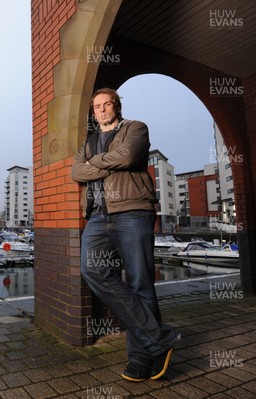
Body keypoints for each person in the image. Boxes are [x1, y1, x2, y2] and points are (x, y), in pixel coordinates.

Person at [71, 87, 180, 382]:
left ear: (116, 106)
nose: (102, 110)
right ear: (94, 112)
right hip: (97, 216)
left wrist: (95, 163)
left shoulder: (136, 128)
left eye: (108, 104)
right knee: (91, 270)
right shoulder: (90, 140)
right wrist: (107, 162)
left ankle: (141, 357)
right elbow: (76, 173)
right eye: (97, 106)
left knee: (140, 284)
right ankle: (159, 339)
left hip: (132, 211)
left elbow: (129, 155)